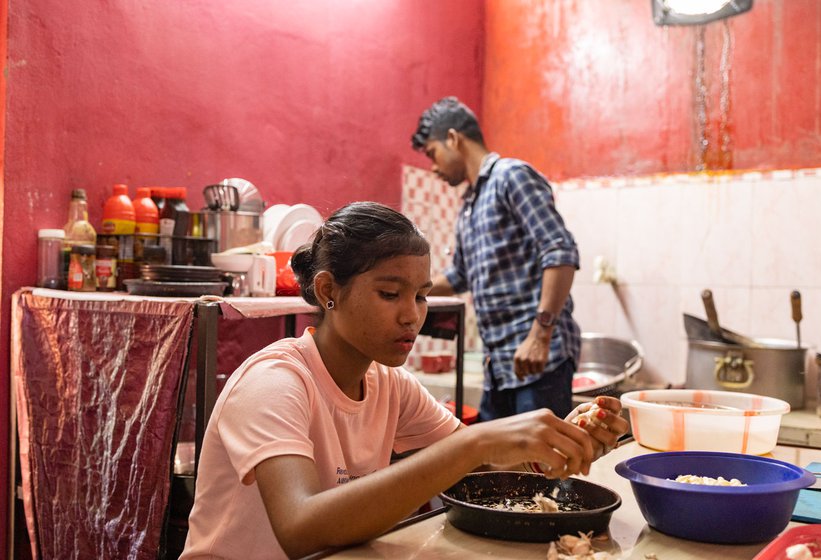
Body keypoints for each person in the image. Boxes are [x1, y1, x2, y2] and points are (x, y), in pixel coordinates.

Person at [180, 201, 627, 560]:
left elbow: (482, 469)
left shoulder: (390, 384)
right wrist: (473, 443)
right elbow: (301, 530)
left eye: (421, 295)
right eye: (389, 294)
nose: (412, 315)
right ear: (328, 291)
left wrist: (561, 442)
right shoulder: (275, 383)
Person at [412, 96, 581, 421]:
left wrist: (540, 334)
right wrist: (407, 288)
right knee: (498, 468)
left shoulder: (510, 176)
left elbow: (560, 251)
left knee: (537, 470)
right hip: (500, 366)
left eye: (432, 153)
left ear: (453, 138)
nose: (433, 167)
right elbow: (458, 276)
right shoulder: (469, 206)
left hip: (538, 358)